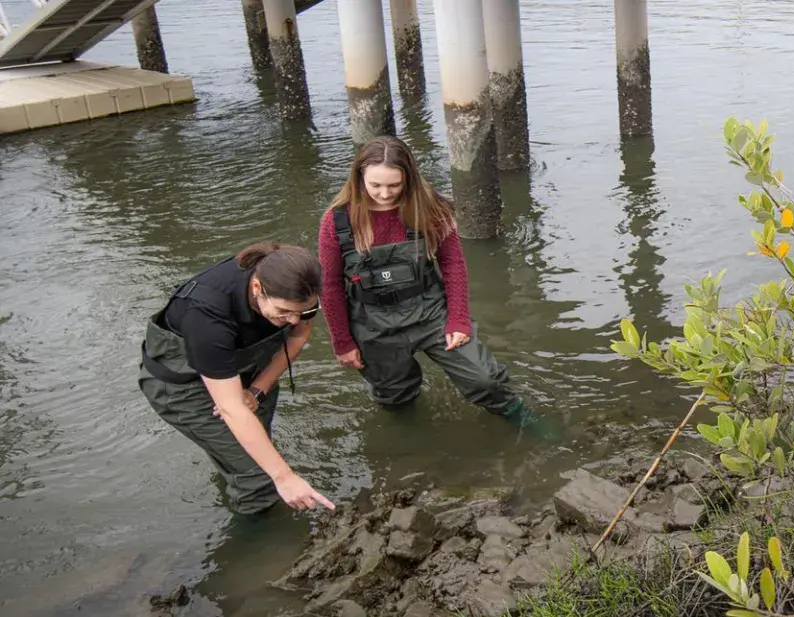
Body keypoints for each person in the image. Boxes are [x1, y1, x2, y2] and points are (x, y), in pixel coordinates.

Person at [317, 136, 547, 436]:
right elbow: (330, 284)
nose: (385, 194)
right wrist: (343, 342)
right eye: (375, 185)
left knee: (484, 379)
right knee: (394, 397)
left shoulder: (431, 209)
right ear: (359, 177)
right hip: (373, 322)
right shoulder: (336, 221)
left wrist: (459, 320)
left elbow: (453, 265)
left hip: (430, 311)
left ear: (408, 178)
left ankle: (523, 421)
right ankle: (414, 442)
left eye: (394, 185)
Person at [139, 243, 335, 515]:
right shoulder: (207, 318)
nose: (293, 320)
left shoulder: (297, 282)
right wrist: (284, 477)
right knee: (258, 475)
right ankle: (264, 545)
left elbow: (298, 337)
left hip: (248, 367)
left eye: (304, 312)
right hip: (182, 386)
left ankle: (237, 478)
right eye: (282, 312)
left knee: (253, 452)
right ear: (257, 288)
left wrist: (257, 390)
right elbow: (231, 408)